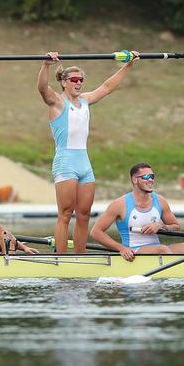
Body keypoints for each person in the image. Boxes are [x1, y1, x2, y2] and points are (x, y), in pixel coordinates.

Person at [37, 50, 140, 253]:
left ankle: (80, 257)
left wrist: (128, 65)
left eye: (81, 80)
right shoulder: (57, 102)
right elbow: (42, 88)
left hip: (84, 162)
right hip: (65, 162)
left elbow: (108, 87)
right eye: (74, 79)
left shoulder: (85, 100)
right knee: (65, 214)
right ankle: (61, 259)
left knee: (84, 214)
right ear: (64, 82)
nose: (78, 83)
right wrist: (45, 65)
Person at [90, 163, 184, 261]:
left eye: (152, 176)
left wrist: (161, 226)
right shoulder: (119, 204)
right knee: (163, 249)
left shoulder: (160, 201)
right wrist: (122, 248)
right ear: (135, 180)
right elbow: (96, 232)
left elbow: (176, 226)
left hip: (158, 249)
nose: (151, 180)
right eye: (146, 177)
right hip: (134, 251)